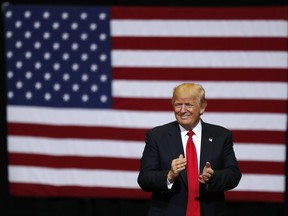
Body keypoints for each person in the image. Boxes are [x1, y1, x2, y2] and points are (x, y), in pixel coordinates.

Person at [137, 83, 242, 216]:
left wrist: (213, 177)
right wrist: (169, 175)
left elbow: (234, 175)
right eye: (178, 104)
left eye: (189, 105)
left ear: (202, 107)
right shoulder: (157, 136)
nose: (182, 110)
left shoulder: (221, 136)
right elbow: (144, 179)